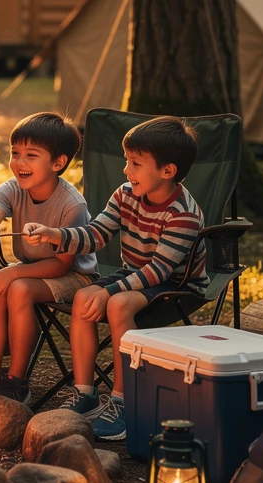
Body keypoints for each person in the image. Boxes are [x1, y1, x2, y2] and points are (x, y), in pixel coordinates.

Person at [24, 116, 206, 441]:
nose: (126, 170)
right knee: (83, 298)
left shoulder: (183, 214)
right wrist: (54, 235)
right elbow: (95, 234)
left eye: (135, 163)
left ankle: (124, 400)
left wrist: (109, 292)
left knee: (118, 304)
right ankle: (85, 393)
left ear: (168, 171)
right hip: (135, 273)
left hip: (176, 285)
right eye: (127, 161)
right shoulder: (125, 194)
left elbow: (160, 272)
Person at [0, 112, 96, 404]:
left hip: (75, 276)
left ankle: (17, 381)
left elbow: (62, 264)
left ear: (58, 163)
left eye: (31, 155)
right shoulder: (11, 189)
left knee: (18, 287)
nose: (19, 162)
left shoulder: (71, 204)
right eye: (15, 153)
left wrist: (13, 273)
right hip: (32, 268)